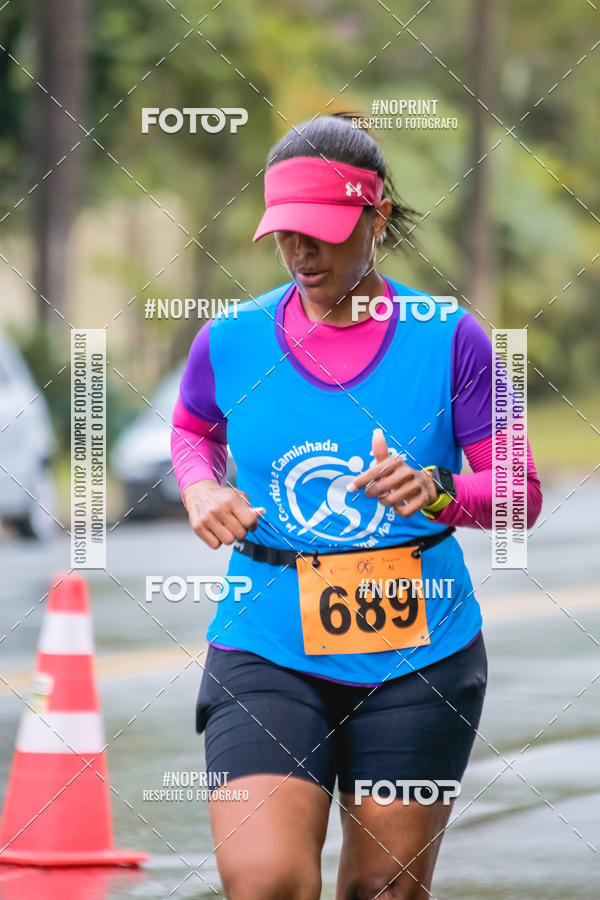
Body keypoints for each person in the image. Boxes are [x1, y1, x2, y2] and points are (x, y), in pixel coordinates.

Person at [171, 114, 543, 900]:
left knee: (383, 889)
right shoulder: (231, 338)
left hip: (420, 654)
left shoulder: (450, 337)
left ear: (374, 220)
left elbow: (520, 491)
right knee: (266, 877)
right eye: (285, 235)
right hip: (267, 643)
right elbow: (191, 428)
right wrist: (200, 485)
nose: (302, 253)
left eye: (323, 233)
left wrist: (438, 492)